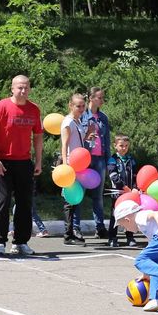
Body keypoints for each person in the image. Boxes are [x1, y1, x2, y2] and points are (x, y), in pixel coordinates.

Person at [0, 75, 43, 256]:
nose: (22, 91)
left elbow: (38, 136)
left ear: (29, 89)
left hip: (24, 162)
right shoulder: (0, 107)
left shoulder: (34, 110)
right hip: (3, 161)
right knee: (4, 201)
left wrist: (38, 160)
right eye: (19, 87)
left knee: (25, 203)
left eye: (26, 87)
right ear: (12, 88)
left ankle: (20, 242)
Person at [113, 198, 158, 312]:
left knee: (139, 260)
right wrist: (146, 274)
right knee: (157, 265)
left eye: (122, 226)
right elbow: (151, 249)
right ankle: (156, 300)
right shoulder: (145, 227)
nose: (125, 230)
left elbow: (156, 213)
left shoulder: (139, 216)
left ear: (127, 220)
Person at [79, 86, 111, 237]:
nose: (102, 100)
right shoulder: (81, 116)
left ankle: (100, 227)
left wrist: (108, 161)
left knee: (98, 196)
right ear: (90, 98)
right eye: (99, 97)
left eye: (102, 97)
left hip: (99, 159)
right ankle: (75, 227)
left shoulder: (103, 117)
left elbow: (107, 140)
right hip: (84, 159)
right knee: (79, 194)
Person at [59, 93, 88, 244]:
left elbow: (78, 142)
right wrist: (65, 165)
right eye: (78, 106)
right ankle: (67, 235)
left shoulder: (78, 121)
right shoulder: (68, 122)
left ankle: (72, 232)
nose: (81, 109)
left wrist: (88, 135)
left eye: (83, 106)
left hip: (79, 165)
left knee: (75, 200)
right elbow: (64, 145)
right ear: (71, 105)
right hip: (71, 165)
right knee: (69, 201)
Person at [105, 134, 138, 247]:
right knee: (115, 215)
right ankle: (112, 238)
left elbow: (134, 176)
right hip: (117, 193)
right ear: (115, 146)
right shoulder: (112, 160)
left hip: (130, 193)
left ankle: (130, 237)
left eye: (126, 146)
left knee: (130, 214)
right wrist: (124, 187)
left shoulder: (131, 160)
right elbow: (113, 176)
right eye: (121, 145)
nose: (124, 148)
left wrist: (134, 187)